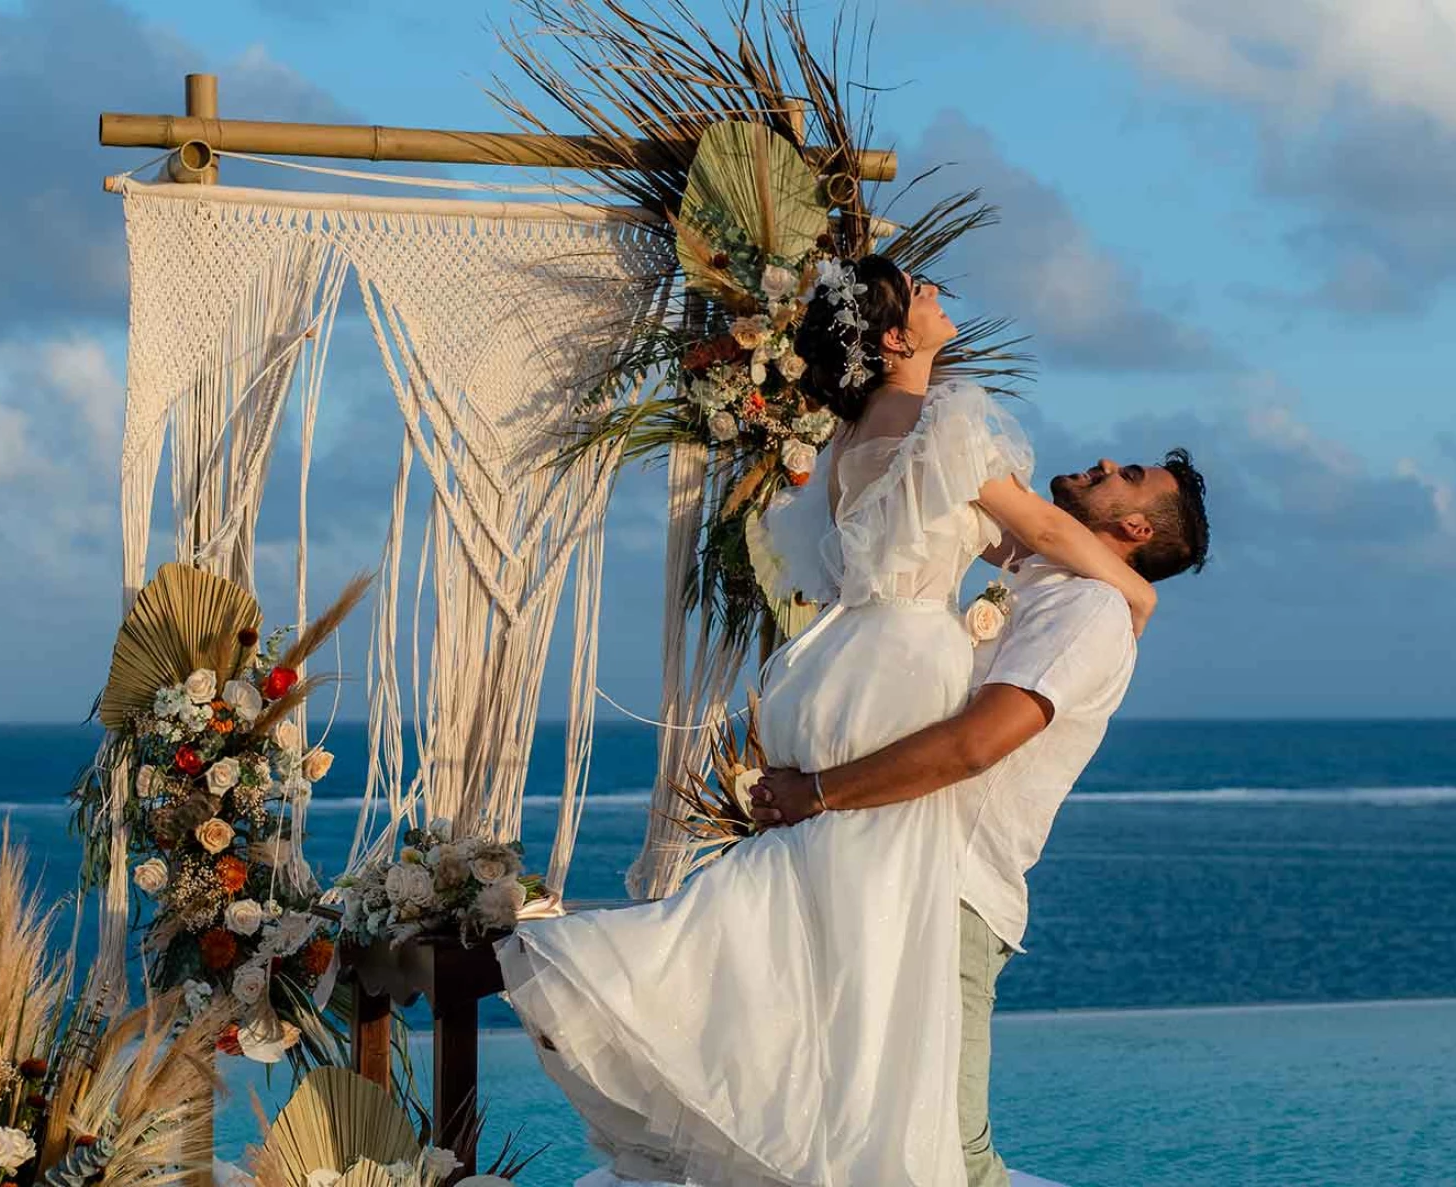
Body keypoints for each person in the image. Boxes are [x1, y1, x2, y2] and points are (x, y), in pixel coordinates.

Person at [496, 253, 1177, 1186]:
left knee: (817, 888)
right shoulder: (951, 423)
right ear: (896, 338)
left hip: (835, 659)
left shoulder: (860, 429)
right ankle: (857, 1121)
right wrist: (1140, 595)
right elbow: (1049, 537)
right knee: (868, 894)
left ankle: (763, 1061)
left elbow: (994, 541)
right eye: (925, 297)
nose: (942, 298)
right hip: (898, 659)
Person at [750, 449, 1212, 1187]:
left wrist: (817, 790)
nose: (1104, 460)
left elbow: (975, 743)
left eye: (1128, 474)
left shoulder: (1090, 609)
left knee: (952, 1154)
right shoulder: (1040, 579)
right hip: (894, 874)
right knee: (847, 1129)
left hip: (952, 896)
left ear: (1133, 525)